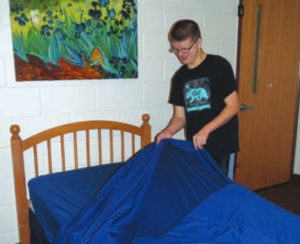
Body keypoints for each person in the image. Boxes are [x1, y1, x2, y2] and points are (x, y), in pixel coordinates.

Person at [156, 19, 239, 175]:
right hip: (197, 148)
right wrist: (168, 131)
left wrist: (205, 130)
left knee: (222, 195)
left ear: (199, 42)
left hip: (223, 147)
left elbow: (233, 106)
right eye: (176, 50)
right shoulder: (180, 77)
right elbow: (180, 118)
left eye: (186, 49)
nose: (181, 55)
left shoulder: (219, 66)